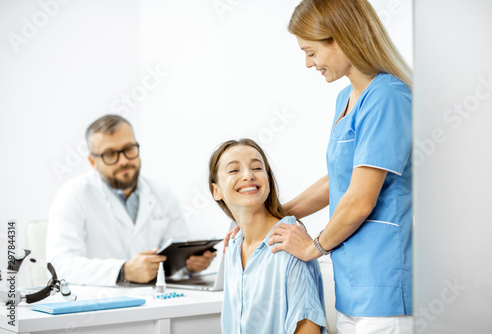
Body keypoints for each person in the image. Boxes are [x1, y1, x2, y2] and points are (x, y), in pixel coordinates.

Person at [226, 0, 413, 332]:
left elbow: (359, 199)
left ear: (341, 38)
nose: (309, 63)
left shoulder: (387, 96)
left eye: (311, 51)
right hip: (351, 287)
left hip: (384, 284)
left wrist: (314, 245)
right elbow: (339, 181)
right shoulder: (347, 99)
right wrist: (275, 215)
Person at [47, 115, 216, 286]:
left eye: (129, 149)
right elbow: (60, 264)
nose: (124, 160)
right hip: (98, 303)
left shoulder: (162, 193)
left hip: (155, 301)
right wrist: (123, 271)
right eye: (110, 154)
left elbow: (176, 258)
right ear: (93, 162)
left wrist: (191, 265)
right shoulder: (74, 194)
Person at [209, 138, 327, 334]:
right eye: (233, 170)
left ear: (268, 182)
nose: (248, 175)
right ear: (216, 190)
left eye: (256, 168)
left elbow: (308, 329)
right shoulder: (232, 245)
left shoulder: (289, 242)